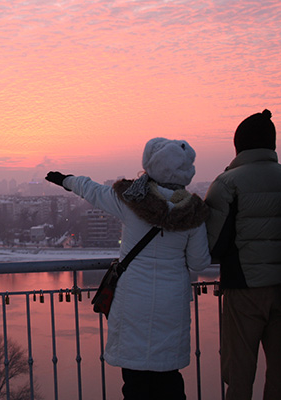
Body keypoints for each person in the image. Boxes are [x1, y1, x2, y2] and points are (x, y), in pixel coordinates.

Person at [46, 137, 211, 400]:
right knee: (168, 378)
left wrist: (66, 180)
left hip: (133, 301)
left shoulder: (132, 200)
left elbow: (93, 190)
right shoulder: (192, 213)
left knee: (135, 381)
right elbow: (200, 262)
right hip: (172, 304)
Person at [204, 109, 281, 400]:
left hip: (244, 288)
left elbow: (215, 244)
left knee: (239, 372)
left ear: (239, 144)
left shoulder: (228, 184)